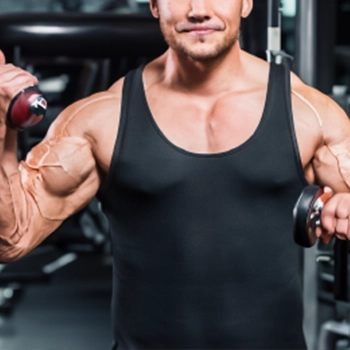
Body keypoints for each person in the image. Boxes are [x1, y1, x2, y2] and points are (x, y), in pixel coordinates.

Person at [0, 0, 350, 348]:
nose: (198, 9)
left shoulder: (309, 113)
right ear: (154, 5)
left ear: (246, 3)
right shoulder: (100, 119)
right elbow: (12, 239)